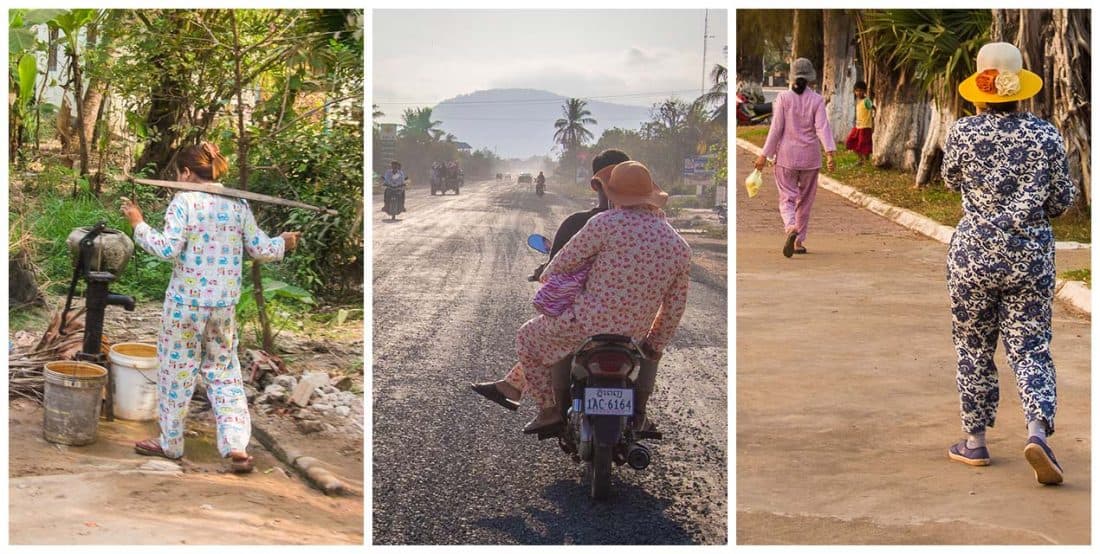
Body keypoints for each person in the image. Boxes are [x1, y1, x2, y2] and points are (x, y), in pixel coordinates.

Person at [120, 142, 300, 473]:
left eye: (178, 173)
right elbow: (260, 248)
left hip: (184, 307)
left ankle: (170, 443)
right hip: (223, 308)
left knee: (176, 372)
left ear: (187, 173)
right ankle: (236, 445)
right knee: (224, 372)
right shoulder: (238, 204)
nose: (177, 179)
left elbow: (167, 249)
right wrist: (283, 242)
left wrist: (138, 223)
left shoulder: (183, 202)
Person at [474, 161, 691, 434]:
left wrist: (548, 277)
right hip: (635, 335)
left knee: (527, 338)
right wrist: (655, 344)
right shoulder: (678, 245)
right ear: (651, 198)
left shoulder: (604, 224)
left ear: (613, 195)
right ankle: (638, 414)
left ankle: (548, 410)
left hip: (585, 325)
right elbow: (674, 307)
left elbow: (563, 262)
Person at [942, 42, 1076, 486]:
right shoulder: (1046, 135)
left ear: (980, 91)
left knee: (973, 348)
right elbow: (1062, 200)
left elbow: (949, 180)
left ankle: (975, 441)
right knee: (1031, 347)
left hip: (974, 256)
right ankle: (1037, 433)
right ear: (1021, 89)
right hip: (1029, 258)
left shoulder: (963, 133)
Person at [754, 57, 836, 258]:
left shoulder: (783, 98)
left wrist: (763, 155)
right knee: (805, 201)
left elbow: (776, 130)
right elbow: (822, 127)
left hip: (786, 158)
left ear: (791, 77)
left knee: (787, 198)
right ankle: (798, 242)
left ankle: (791, 227)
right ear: (811, 79)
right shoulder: (816, 100)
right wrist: (830, 152)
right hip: (810, 158)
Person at [845, 80, 874, 165]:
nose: (859, 92)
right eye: (857, 90)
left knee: (863, 145)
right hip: (858, 126)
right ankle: (861, 159)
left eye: (861, 90)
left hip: (865, 127)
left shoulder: (867, 101)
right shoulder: (857, 101)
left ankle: (864, 161)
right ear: (854, 91)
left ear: (864, 91)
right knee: (850, 142)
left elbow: (873, 109)